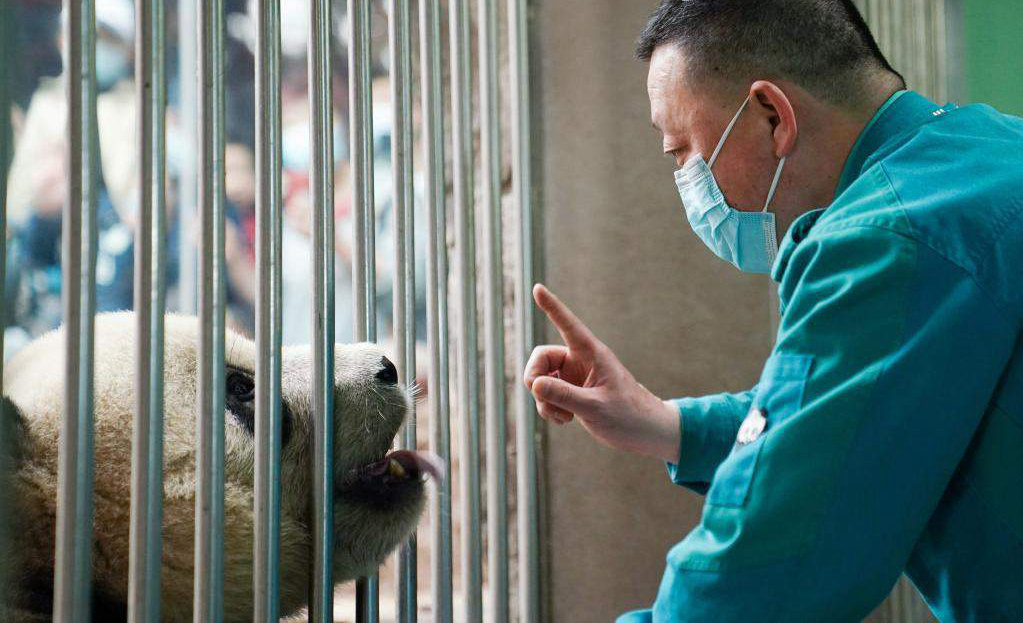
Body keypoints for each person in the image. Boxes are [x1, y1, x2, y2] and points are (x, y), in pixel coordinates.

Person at [522, 1, 1023, 621]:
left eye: (682, 151)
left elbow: (767, 567)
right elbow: (842, 407)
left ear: (771, 115)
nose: (686, 178)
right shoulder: (988, 147)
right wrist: (665, 424)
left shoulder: (883, 239)